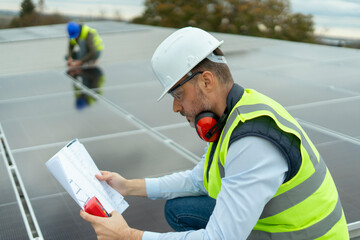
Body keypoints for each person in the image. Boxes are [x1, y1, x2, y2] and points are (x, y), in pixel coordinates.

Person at [80, 27, 350, 239]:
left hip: (304, 236)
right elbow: (199, 180)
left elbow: (219, 237)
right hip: (283, 227)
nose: (176, 106)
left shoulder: (253, 141)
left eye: (178, 93)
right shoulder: (234, 113)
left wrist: (129, 237)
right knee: (179, 209)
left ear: (206, 81)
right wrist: (128, 186)